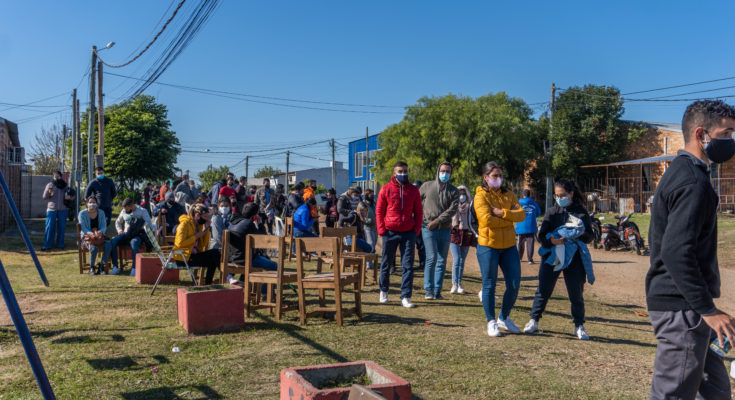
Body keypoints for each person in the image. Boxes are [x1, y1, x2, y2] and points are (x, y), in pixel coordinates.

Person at [646, 100, 735, 399]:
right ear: (701, 135)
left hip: (690, 307)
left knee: (715, 391)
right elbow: (675, 251)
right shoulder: (692, 182)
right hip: (681, 310)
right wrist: (707, 310)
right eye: (726, 133)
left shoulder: (683, 172)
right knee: (672, 393)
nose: (731, 141)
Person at [523, 179, 594, 341]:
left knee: (576, 293)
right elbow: (540, 236)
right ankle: (534, 320)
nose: (559, 198)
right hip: (552, 256)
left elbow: (590, 236)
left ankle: (579, 325)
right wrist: (552, 241)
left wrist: (577, 233)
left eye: (562, 195)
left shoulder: (581, 213)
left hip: (574, 258)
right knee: (543, 289)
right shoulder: (552, 212)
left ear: (571, 194)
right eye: (556, 195)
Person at [474, 162, 526, 337]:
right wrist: (509, 218)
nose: (498, 179)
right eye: (495, 176)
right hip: (488, 246)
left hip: (509, 246)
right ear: (486, 177)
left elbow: (522, 215)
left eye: (500, 176)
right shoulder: (480, 196)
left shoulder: (509, 194)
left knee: (514, 284)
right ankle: (491, 321)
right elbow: (486, 220)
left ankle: (504, 317)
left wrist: (503, 213)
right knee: (489, 284)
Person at [376, 161, 422, 309]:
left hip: (408, 232)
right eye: (400, 171)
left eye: (405, 171)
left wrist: (416, 230)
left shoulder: (413, 190)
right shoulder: (386, 189)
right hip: (390, 231)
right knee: (386, 263)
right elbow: (379, 211)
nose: (403, 173)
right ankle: (384, 291)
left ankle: (406, 296)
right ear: (394, 173)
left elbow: (419, 212)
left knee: (407, 265)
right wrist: (382, 230)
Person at [420, 162, 459, 300]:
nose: (445, 174)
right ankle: (428, 289)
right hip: (428, 228)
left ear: (451, 174)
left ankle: (437, 290)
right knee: (431, 258)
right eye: (443, 171)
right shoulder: (427, 186)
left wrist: (436, 221)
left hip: (444, 229)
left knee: (442, 260)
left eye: (448, 171)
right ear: (438, 171)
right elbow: (416, 202)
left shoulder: (454, 191)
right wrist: (420, 218)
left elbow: (452, 211)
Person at [227, 202, 278, 290]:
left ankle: (243, 283)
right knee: (275, 266)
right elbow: (262, 240)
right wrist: (260, 224)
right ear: (254, 215)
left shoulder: (234, 222)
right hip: (247, 259)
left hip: (233, 258)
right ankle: (265, 292)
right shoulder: (248, 224)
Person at [173, 204, 221, 285]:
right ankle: (226, 277)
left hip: (193, 255)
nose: (206, 219)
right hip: (183, 258)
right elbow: (179, 244)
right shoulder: (184, 224)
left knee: (216, 253)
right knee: (214, 258)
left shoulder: (197, 225)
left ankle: (209, 283)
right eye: (205, 217)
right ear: (197, 215)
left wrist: (206, 229)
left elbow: (203, 245)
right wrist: (195, 237)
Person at [110, 198, 153, 276]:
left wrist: (138, 226)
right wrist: (119, 230)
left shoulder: (142, 211)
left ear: (131, 206)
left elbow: (149, 223)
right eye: (125, 209)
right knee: (113, 241)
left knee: (134, 243)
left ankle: (134, 268)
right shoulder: (123, 211)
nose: (126, 210)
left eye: (127, 208)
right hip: (126, 233)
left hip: (137, 234)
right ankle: (115, 267)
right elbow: (118, 222)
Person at [78, 196, 112, 275]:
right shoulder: (82, 213)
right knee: (94, 249)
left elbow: (104, 225)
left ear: (97, 204)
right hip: (87, 237)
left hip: (100, 237)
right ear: (87, 204)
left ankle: (102, 266)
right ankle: (92, 267)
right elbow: (83, 228)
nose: (92, 204)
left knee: (108, 245)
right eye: (90, 202)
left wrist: (100, 232)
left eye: (94, 202)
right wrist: (92, 234)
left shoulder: (101, 212)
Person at [450, 185, 473, 294]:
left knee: (462, 260)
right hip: (454, 232)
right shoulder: (452, 204)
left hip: (466, 233)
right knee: (457, 259)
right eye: (459, 193)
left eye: (463, 193)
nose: (461, 196)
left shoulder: (470, 206)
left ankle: (459, 283)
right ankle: (454, 283)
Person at [42, 171, 73, 250]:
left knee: (61, 227)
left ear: (61, 176)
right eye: (55, 176)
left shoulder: (65, 186)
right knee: (49, 227)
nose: (57, 177)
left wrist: (70, 197)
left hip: (63, 209)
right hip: (51, 209)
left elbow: (72, 196)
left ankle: (60, 244)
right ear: (53, 176)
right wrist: (49, 193)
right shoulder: (50, 185)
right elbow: (44, 197)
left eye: (58, 176)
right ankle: (47, 245)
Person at [516, 189, 542, 264]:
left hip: (521, 225)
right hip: (531, 226)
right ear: (529, 195)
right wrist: (532, 215)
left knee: (520, 242)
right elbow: (538, 213)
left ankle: (519, 258)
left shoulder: (519, 202)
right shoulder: (534, 203)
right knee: (530, 243)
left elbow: (514, 212)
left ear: (523, 195)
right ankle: (530, 259)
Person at [361, 189, 378, 269]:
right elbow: (362, 216)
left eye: (373, 194)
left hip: (375, 227)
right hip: (367, 227)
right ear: (366, 195)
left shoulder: (374, 203)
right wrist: (369, 221)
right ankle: (368, 263)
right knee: (370, 244)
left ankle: (371, 261)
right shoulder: (363, 204)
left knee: (374, 245)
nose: (372, 195)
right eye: (370, 194)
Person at [412, 180, 426, 275]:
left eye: (418, 187)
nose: (417, 189)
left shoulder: (424, 199)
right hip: (411, 224)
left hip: (421, 225)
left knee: (421, 246)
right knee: (410, 246)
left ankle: (423, 264)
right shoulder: (411, 197)